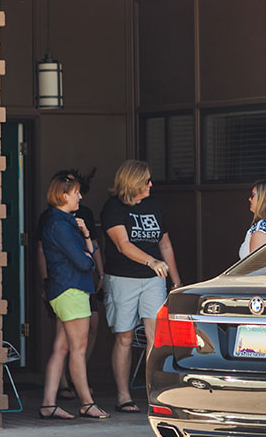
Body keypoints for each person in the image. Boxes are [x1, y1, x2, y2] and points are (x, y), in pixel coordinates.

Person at [101, 160, 181, 413]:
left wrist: (176, 281)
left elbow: (165, 244)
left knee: (155, 337)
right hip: (123, 278)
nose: (150, 184)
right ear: (133, 183)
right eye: (146, 180)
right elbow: (122, 245)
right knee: (124, 336)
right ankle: (123, 396)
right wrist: (151, 260)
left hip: (153, 280)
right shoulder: (113, 208)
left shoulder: (154, 205)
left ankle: (153, 393)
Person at [38, 173, 109, 419]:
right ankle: (87, 403)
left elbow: (89, 253)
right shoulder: (59, 224)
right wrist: (87, 255)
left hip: (64, 290)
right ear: (64, 195)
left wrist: (88, 237)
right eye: (77, 192)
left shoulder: (64, 221)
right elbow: (82, 262)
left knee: (61, 347)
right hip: (72, 290)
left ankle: (49, 403)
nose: (80, 196)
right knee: (78, 349)